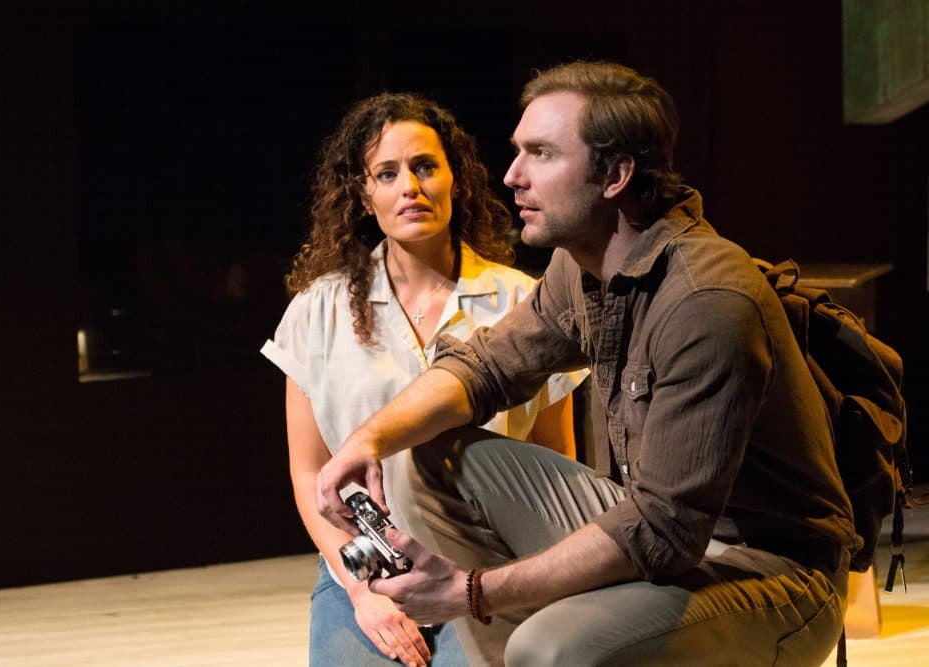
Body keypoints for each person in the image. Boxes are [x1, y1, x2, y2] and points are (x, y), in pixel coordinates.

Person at [315, 62, 861, 667]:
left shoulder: (706, 302)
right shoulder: (584, 266)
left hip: (771, 575)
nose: (511, 176)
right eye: (519, 151)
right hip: (659, 531)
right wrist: (368, 439)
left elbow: (665, 530)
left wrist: (470, 593)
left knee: (550, 647)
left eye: (541, 155)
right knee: (423, 452)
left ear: (616, 175)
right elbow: (485, 369)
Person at [261, 92, 586, 667]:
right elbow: (308, 471)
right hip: (366, 565)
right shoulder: (319, 310)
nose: (409, 185)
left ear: (454, 180)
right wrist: (362, 591)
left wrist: (525, 587)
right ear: (363, 195)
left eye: (425, 166)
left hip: (486, 566)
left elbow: (553, 460)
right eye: (387, 173)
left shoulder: (524, 301)